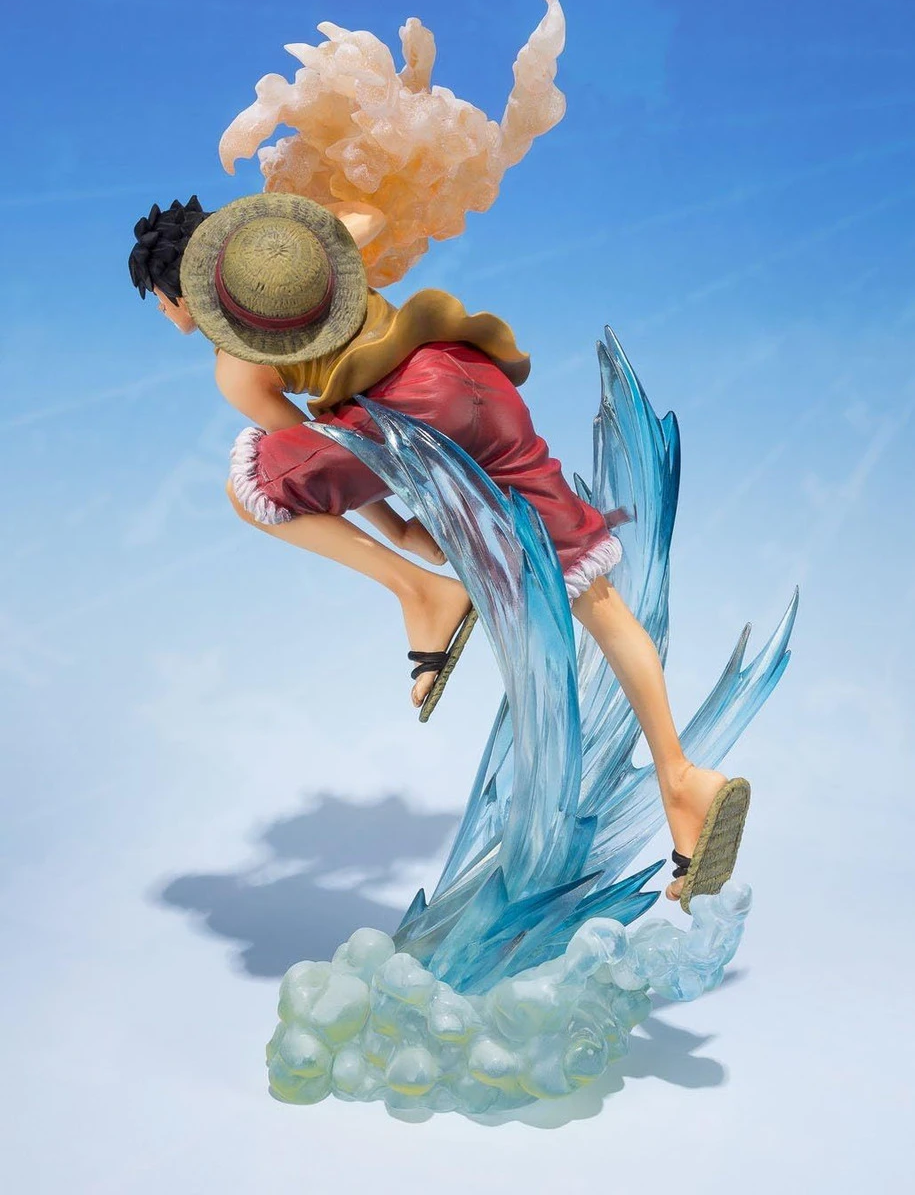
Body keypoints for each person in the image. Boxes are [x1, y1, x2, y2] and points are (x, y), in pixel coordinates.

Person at [128, 191, 748, 909]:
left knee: (252, 488)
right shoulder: (310, 252)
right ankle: (681, 777)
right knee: (592, 593)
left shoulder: (235, 367)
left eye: (160, 301)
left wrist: (399, 534)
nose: (163, 313)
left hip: (408, 415)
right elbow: (368, 213)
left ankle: (420, 592)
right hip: (470, 376)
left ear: (185, 295)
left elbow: (314, 454)